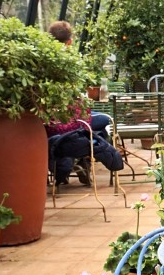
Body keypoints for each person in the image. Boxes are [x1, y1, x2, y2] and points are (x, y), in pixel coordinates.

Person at [46, 22, 122, 185]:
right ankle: (84, 160)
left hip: (51, 123)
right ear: (69, 42)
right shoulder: (69, 64)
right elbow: (80, 104)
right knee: (102, 122)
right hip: (70, 122)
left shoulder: (44, 63)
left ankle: (78, 161)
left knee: (95, 125)